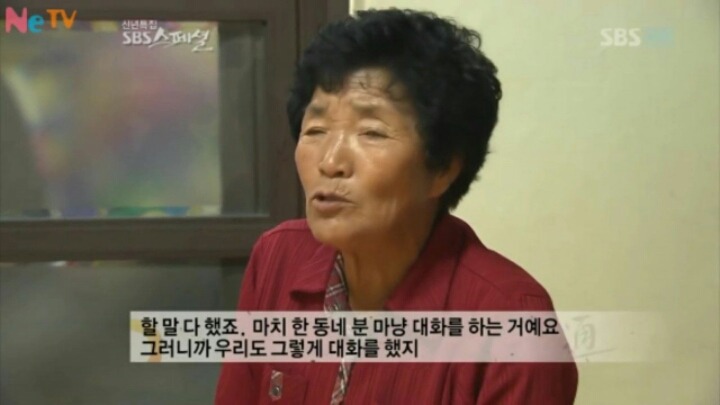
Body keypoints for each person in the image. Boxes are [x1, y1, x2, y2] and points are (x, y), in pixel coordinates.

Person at [216, 8, 578, 404]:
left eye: (371, 133)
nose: (330, 162)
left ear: (442, 169)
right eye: (316, 130)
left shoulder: (513, 323)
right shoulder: (278, 258)